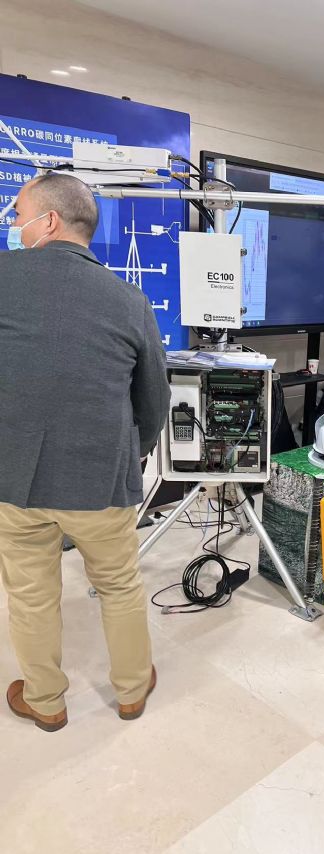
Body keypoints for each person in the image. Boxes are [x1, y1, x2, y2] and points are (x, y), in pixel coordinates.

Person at [0, 173, 170, 731]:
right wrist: (133, 454)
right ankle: (131, 692)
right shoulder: (130, 300)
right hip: (101, 480)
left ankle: (46, 702)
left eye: (18, 212)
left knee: (31, 595)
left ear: (48, 220)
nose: (14, 223)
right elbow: (154, 400)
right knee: (119, 586)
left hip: (13, 479)